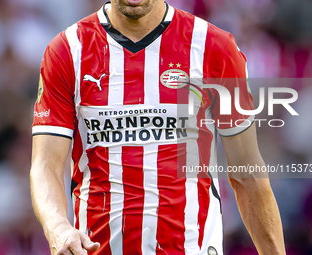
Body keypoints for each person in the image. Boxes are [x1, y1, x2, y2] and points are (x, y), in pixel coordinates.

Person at [30, 0, 286, 254]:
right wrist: (58, 227)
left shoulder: (214, 47)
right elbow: (45, 166)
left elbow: (247, 173)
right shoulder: (67, 50)